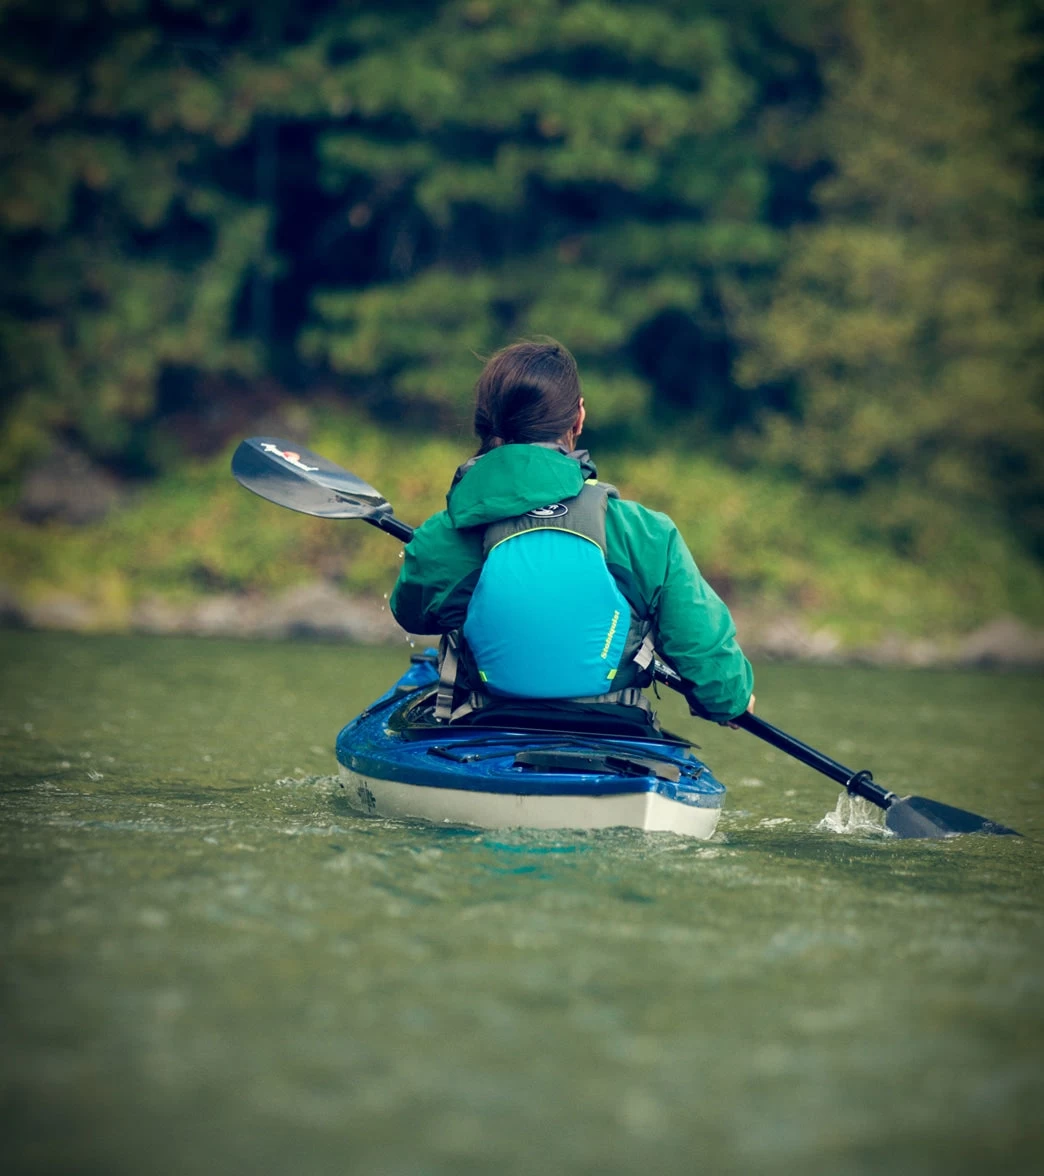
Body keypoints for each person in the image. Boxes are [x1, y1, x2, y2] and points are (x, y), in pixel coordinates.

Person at [390, 338, 754, 732]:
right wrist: (732, 701)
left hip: (486, 730)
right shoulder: (646, 533)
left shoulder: (443, 536)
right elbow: (720, 687)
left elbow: (411, 614)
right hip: (616, 735)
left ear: (485, 421)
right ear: (578, 418)